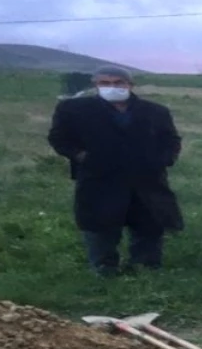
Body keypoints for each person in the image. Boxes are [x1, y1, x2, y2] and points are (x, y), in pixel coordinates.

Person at [48, 66, 183, 278]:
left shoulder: (155, 111)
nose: (112, 87)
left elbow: (171, 140)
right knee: (100, 226)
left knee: (150, 223)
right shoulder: (74, 109)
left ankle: (145, 269)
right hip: (99, 178)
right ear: (96, 85)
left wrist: (163, 160)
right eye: (105, 83)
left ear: (130, 85)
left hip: (147, 179)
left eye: (118, 83)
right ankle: (104, 270)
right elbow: (59, 139)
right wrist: (83, 157)